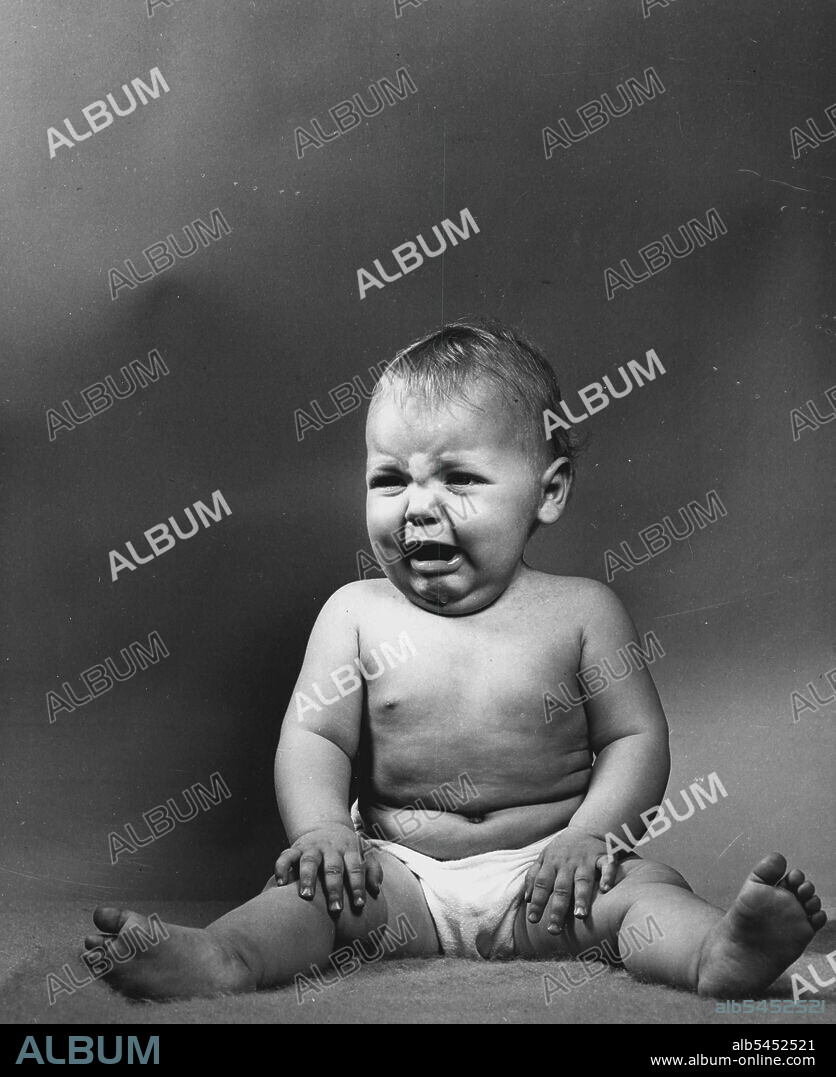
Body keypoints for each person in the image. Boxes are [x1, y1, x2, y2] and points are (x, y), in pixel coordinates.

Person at [82, 319, 825, 1000]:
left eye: (460, 478)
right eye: (389, 479)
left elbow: (636, 738)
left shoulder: (582, 612)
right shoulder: (356, 613)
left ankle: (714, 955)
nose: (417, 506)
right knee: (310, 900)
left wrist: (591, 835)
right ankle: (225, 957)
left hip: (549, 878)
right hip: (398, 878)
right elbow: (314, 737)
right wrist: (322, 832)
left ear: (548, 491)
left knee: (643, 893)